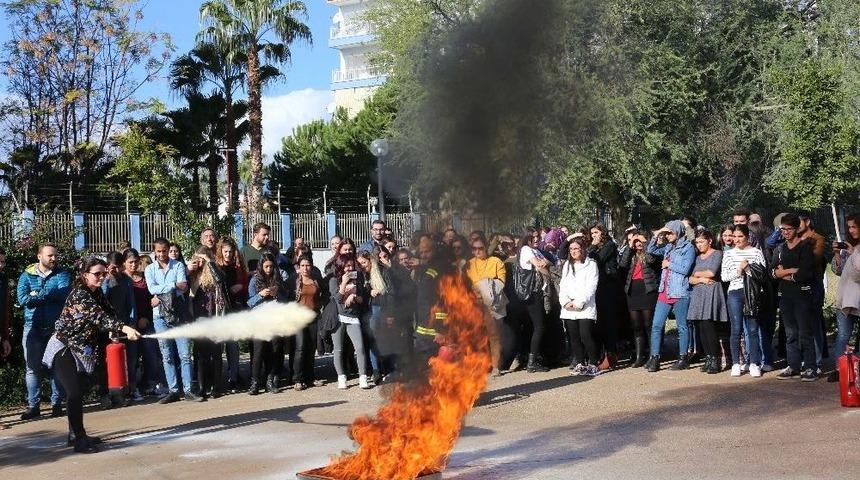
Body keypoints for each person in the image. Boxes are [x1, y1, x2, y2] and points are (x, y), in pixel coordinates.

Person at [41, 256, 141, 453]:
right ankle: (79, 439)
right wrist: (124, 328)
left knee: (80, 390)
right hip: (65, 347)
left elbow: (108, 313)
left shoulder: (96, 293)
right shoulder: (80, 294)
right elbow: (98, 316)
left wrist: (116, 328)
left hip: (83, 350)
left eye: (104, 273)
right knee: (74, 392)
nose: (102, 277)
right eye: (97, 274)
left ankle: (75, 433)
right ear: (85, 275)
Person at [17, 242, 72, 420]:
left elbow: (64, 292)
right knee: (32, 369)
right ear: (39, 256)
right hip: (32, 328)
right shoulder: (26, 275)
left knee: (57, 367)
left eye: (56, 255)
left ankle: (57, 404)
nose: (54, 259)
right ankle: (34, 406)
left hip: (55, 329)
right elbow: (23, 299)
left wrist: (37, 294)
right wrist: (47, 295)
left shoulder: (62, 274)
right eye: (50, 255)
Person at [145, 238, 196, 403]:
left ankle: (188, 390)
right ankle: (174, 390)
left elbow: (183, 287)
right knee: (167, 356)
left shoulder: (179, 265)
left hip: (179, 314)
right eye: (158, 251)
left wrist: (161, 294)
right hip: (159, 316)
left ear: (168, 250)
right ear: (154, 251)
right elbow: (152, 289)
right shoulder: (149, 269)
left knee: (185, 355)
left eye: (164, 251)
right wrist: (173, 285)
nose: (161, 254)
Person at [772, 214, 818, 381]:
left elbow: (805, 272)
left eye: (788, 229)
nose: (785, 232)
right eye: (782, 229)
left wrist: (785, 273)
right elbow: (773, 271)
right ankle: (793, 365)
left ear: (796, 229)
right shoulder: (780, 249)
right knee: (790, 332)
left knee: (805, 332)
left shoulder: (805, 247)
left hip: (802, 294)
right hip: (786, 295)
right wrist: (789, 271)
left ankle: (811, 367)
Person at [645, 220, 696, 372]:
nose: (668, 236)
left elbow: (686, 269)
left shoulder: (688, 248)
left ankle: (683, 357)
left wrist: (669, 264)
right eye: (666, 233)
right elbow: (651, 249)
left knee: (682, 326)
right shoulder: (667, 247)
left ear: (679, 231)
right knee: (656, 325)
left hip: (680, 291)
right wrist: (658, 234)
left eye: (670, 233)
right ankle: (654, 357)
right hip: (664, 291)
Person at [721, 225, 767, 377]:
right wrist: (738, 271)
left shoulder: (756, 252)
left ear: (747, 236)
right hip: (735, 292)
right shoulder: (728, 254)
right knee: (736, 329)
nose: (736, 240)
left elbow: (762, 274)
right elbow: (724, 277)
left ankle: (754, 363)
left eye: (740, 236)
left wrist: (748, 269)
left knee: (753, 329)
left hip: (753, 293)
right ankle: (736, 363)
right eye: (734, 237)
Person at [188, 247, 229, 400]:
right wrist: (191, 268)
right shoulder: (192, 274)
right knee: (200, 355)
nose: (199, 261)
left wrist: (209, 262)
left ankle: (216, 387)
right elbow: (187, 290)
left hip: (215, 317)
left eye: (202, 259)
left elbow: (220, 278)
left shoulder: (214, 270)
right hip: (199, 318)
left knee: (216, 353)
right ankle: (201, 387)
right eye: (197, 258)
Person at [686, 231, 728, 374]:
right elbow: (690, 278)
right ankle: (708, 358)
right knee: (701, 327)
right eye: (697, 243)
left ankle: (715, 359)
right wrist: (700, 279)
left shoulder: (717, 253)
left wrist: (698, 275)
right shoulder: (698, 258)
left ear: (709, 241)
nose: (699, 245)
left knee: (709, 326)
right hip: (698, 293)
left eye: (701, 242)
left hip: (711, 293)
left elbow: (712, 272)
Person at [245, 253, 288, 394]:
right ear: (261, 266)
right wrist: (260, 295)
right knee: (258, 352)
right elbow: (249, 302)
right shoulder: (254, 280)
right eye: (266, 267)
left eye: (271, 266)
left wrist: (277, 294)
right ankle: (255, 382)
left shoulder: (278, 279)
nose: (268, 269)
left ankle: (270, 381)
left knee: (274, 351)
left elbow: (285, 299)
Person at [466, 237, 508, 377]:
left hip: (493, 304)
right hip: (475, 305)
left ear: (486, 248)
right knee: (477, 337)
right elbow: (466, 285)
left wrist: (483, 286)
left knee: (494, 336)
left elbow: (501, 282)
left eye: (480, 248)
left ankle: (496, 366)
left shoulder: (496, 262)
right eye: (474, 249)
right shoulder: (469, 264)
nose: (477, 251)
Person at [558, 238, 601, 376]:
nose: (573, 252)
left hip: (585, 307)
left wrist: (578, 303)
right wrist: (565, 302)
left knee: (585, 335)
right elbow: (562, 286)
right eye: (571, 249)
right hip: (568, 308)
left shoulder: (591, 265)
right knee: (573, 336)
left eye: (576, 248)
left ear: (582, 249)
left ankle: (594, 363)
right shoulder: (567, 265)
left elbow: (591, 287)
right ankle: (580, 363)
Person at [619, 233, 661, 368]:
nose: (637, 243)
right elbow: (622, 264)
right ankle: (639, 356)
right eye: (635, 241)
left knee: (648, 325)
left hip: (647, 290)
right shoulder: (631, 254)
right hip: (633, 291)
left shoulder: (651, 252)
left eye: (639, 241)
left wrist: (646, 243)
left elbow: (651, 260)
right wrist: (629, 247)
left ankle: (653, 356)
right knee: (636, 326)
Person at [329, 254, 370, 390]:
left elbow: (362, 300)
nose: (350, 268)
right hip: (339, 318)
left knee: (359, 348)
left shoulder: (358, 278)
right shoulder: (334, 280)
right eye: (347, 266)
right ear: (341, 266)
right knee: (338, 349)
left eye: (352, 265)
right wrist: (344, 284)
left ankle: (363, 377)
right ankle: (341, 377)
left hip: (353, 317)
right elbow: (338, 298)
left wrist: (353, 296)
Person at [102, 251, 139, 403]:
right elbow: (102, 299)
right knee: (111, 361)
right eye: (113, 268)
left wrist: (132, 321)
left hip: (126, 325)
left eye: (118, 267)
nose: (116, 271)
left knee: (131, 359)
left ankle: (129, 389)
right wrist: (107, 279)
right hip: (109, 327)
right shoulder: (104, 281)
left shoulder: (126, 281)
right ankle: (110, 392)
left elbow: (131, 303)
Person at [829, 212, 860, 382]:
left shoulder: (855, 249)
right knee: (843, 335)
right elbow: (837, 271)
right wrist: (837, 255)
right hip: (845, 297)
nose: (851, 230)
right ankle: (839, 369)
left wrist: (853, 252)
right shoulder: (851, 246)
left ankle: (856, 371)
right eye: (849, 227)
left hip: (858, 297)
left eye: (854, 226)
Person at [215, 237, 247, 393]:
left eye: (230, 251)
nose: (228, 254)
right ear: (221, 251)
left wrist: (240, 286)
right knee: (218, 347)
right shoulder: (215, 267)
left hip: (233, 311)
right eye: (225, 251)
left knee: (233, 347)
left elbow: (245, 282)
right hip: (219, 313)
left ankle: (233, 378)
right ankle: (217, 379)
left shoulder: (237, 268)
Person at [288, 255, 325, 390]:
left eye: (308, 265)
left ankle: (309, 378)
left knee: (311, 348)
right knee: (300, 348)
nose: (305, 268)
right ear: (298, 266)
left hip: (313, 317)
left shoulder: (316, 280)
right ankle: (297, 379)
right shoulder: (294, 280)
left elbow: (323, 295)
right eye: (302, 265)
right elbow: (287, 297)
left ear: (312, 266)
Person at [516, 231, 551, 373]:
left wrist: (545, 264)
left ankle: (534, 357)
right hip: (531, 293)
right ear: (527, 239)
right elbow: (541, 266)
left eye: (537, 237)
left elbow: (549, 263)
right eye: (533, 238)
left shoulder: (536, 251)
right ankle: (532, 361)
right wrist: (547, 268)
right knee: (539, 326)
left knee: (537, 326)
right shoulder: (526, 249)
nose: (536, 239)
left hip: (539, 292)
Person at [588, 223, 621, 371]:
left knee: (609, 322)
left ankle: (611, 354)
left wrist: (593, 247)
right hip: (598, 287)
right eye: (592, 233)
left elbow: (597, 260)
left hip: (609, 286)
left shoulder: (609, 245)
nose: (594, 235)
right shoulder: (595, 247)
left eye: (596, 232)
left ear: (602, 232)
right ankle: (603, 354)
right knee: (599, 323)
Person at [129, 253, 163, 396]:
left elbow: (152, 298)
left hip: (146, 321)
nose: (134, 265)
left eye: (136, 261)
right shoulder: (121, 279)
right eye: (130, 262)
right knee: (132, 358)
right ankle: (131, 388)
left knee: (151, 355)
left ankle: (148, 384)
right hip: (128, 324)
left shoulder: (145, 278)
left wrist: (146, 318)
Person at [798, 213, 828, 372]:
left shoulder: (818, 239)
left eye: (799, 222)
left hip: (813, 284)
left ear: (807, 222)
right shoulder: (793, 239)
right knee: (800, 325)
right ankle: (805, 359)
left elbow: (814, 260)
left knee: (814, 324)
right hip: (797, 286)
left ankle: (815, 361)